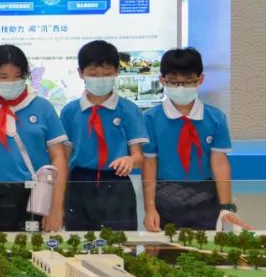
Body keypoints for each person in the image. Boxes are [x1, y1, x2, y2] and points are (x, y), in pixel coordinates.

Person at [143, 47, 250, 231]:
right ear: (162, 80)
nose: (181, 87)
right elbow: (149, 164)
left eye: (188, 81)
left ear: (200, 79)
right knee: (166, 245)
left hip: (205, 193)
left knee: (205, 245)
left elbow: (220, 163)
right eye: (173, 82)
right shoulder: (150, 118)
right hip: (165, 193)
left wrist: (226, 207)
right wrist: (150, 208)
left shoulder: (215, 117)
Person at [0, 45, 68, 232]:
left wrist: (56, 207)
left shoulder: (43, 107)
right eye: (3, 76)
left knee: (38, 246)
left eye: (17, 76)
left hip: (38, 193)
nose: (11, 82)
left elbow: (59, 157)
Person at [59, 40, 148, 231]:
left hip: (117, 183)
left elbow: (139, 157)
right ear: (80, 73)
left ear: (117, 72)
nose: (100, 79)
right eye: (93, 74)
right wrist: (58, 203)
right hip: (79, 183)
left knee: (120, 242)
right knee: (79, 242)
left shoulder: (129, 110)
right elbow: (64, 158)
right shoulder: (70, 111)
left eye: (106, 74)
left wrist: (130, 160)